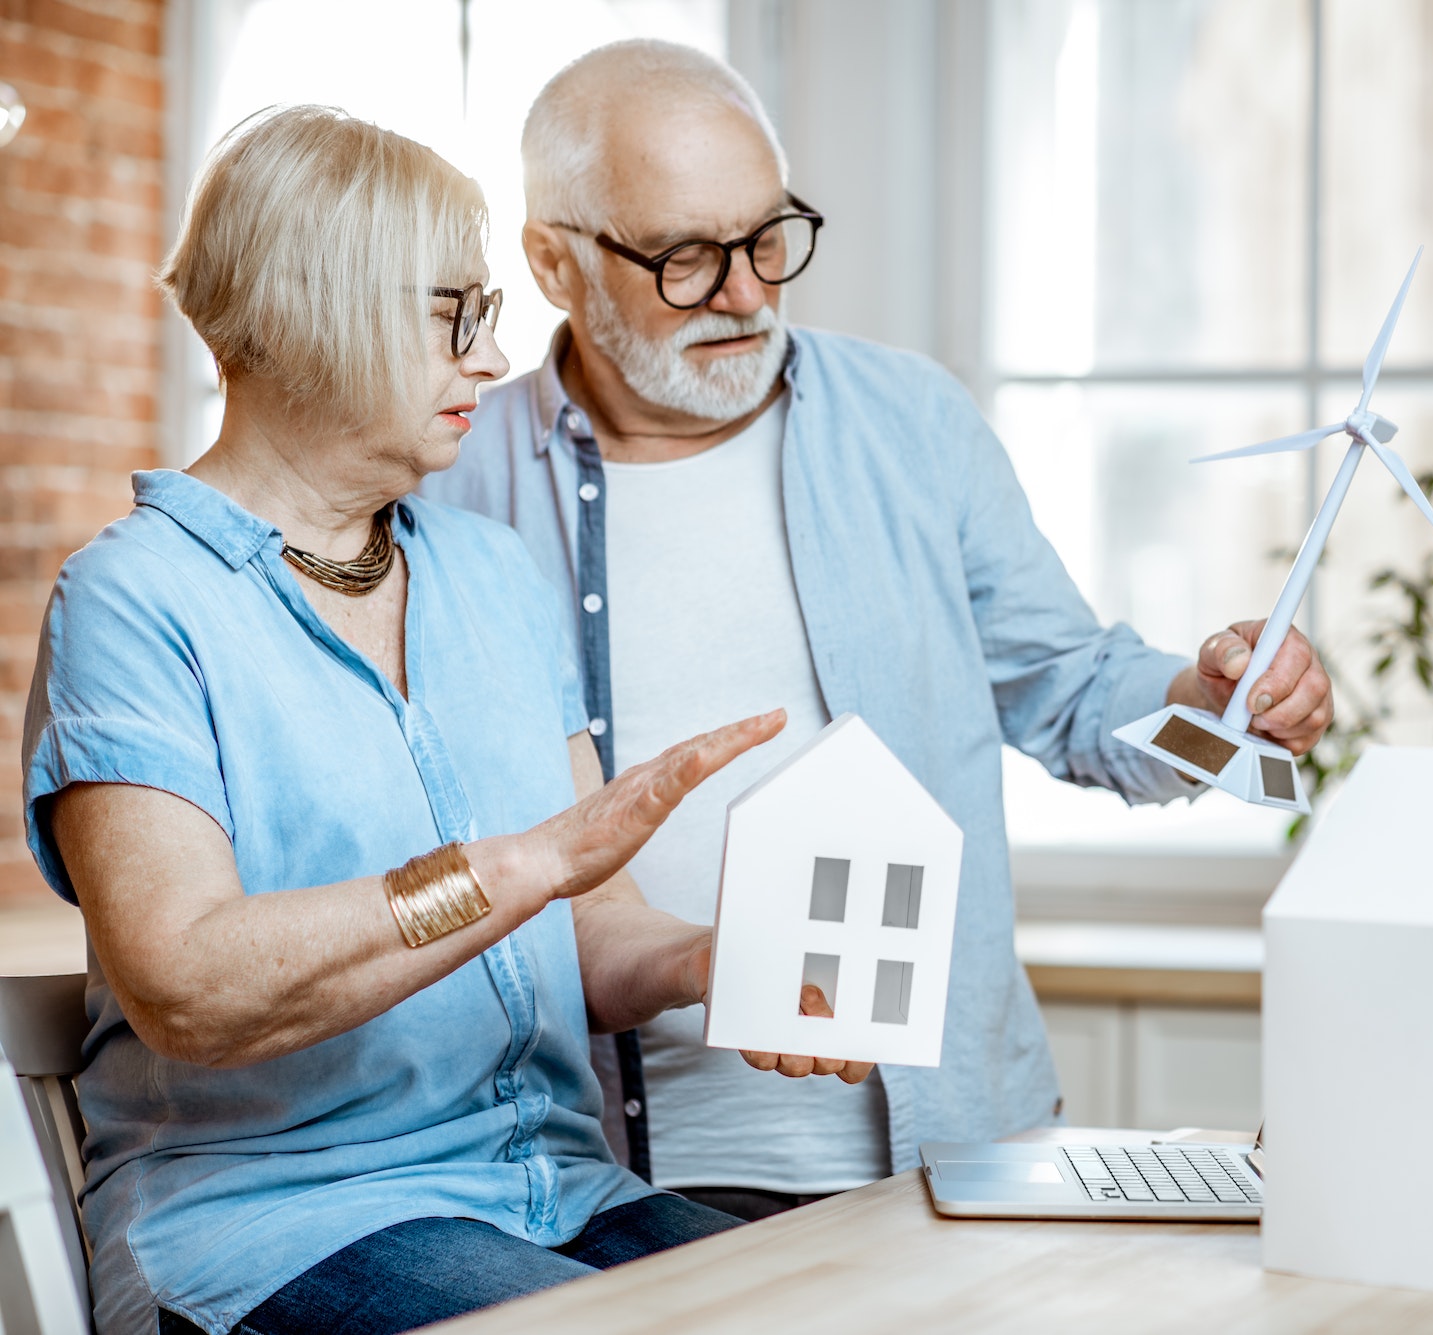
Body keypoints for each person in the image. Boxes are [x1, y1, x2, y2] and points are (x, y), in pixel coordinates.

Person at [422, 40, 1333, 1221]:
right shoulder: (445, 480)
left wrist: (1217, 706)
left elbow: (1069, 689)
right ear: (554, 260)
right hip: (600, 1180)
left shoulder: (910, 421)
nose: (748, 293)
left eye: (767, 238)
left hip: (944, 1149)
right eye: (689, 258)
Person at [21, 106, 863, 1335]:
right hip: (282, 1222)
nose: (489, 357)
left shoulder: (490, 573)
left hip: (554, 1195)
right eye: (455, 313)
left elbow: (583, 933)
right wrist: (519, 866)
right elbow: (188, 988)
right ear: (324, 306)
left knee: (857, 1309)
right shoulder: (135, 599)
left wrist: (704, 963)